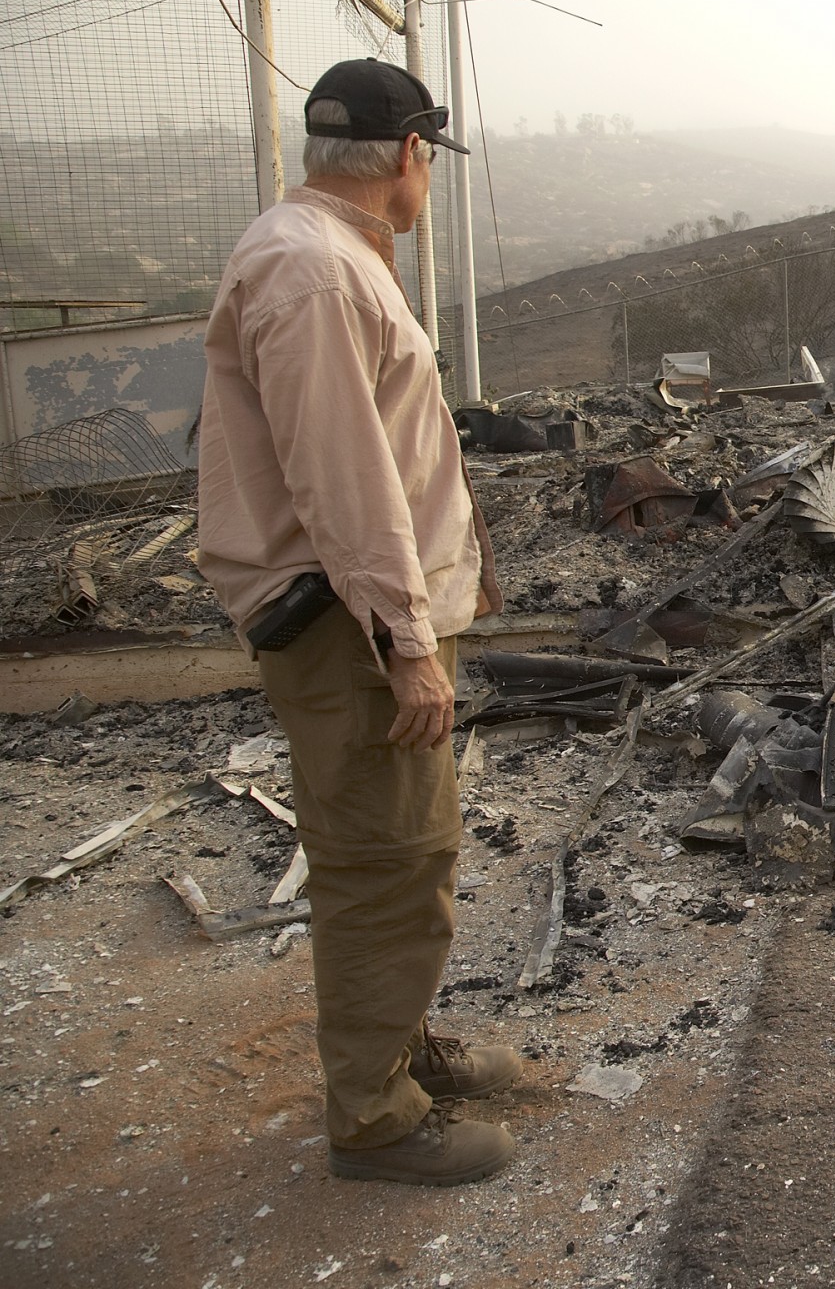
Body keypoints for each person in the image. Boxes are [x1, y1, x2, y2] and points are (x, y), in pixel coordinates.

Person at [196, 58, 517, 1187]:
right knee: (387, 858)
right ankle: (376, 1117)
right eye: (429, 157)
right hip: (349, 619)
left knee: (395, 848)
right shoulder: (318, 273)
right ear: (409, 157)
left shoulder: (319, 255)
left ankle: (400, 1048)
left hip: (358, 612)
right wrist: (408, 645)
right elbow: (347, 481)